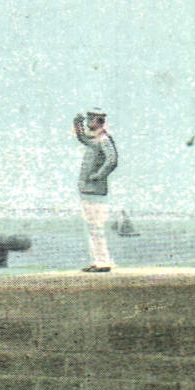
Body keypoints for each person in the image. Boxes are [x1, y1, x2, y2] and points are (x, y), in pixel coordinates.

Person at [73, 108, 119, 272]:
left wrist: (98, 175)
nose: (87, 122)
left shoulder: (104, 139)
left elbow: (112, 160)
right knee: (92, 227)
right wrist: (77, 124)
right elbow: (83, 138)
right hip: (89, 190)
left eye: (90, 119)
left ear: (98, 121)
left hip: (96, 190)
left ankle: (103, 262)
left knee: (96, 227)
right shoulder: (96, 138)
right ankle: (99, 260)